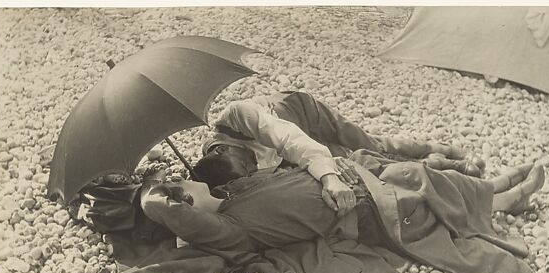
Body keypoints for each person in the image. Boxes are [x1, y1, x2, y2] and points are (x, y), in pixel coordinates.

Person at [121, 150, 544, 273]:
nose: (184, 184)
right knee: (415, 185)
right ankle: (502, 198)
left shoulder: (234, 191)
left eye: (180, 182)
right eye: (182, 192)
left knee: (406, 171)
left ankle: (491, 191)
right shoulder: (228, 229)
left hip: (354, 182)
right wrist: (154, 189)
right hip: (365, 213)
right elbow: (163, 208)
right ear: (188, 216)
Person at [191, 91, 485, 216]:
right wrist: (332, 167)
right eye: (250, 167)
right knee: (361, 162)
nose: (254, 164)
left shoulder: (238, 115)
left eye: (248, 160)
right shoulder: (232, 169)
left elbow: (290, 140)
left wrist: (329, 177)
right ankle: (439, 167)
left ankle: (445, 152)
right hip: (298, 149)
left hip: (303, 113)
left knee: (372, 145)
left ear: (224, 148)